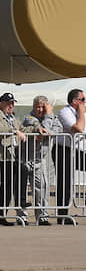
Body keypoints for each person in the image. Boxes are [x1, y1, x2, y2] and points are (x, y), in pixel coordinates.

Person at [0, 92, 36, 226]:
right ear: (1, 103)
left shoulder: (11, 117)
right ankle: (10, 207)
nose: (11, 105)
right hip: (3, 155)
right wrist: (15, 132)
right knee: (10, 182)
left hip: (12, 155)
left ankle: (2, 214)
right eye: (8, 103)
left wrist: (37, 129)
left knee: (11, 181)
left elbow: (23, 129)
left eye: (13, 103)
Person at [20, 96, 61, 225]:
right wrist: (47, 120)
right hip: (25, 159)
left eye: (43, 107)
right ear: (33, 107)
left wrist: (47, 125)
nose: (41, 109)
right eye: (38, 106)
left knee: (42, 188)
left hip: (40, 159)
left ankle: (42, 217)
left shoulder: (51, 118)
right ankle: (22, 217)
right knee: (22, 190)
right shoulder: (29, 118)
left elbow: (56, 130)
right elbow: (44, 130)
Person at [54, 88, 86, 224]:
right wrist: (81, 113)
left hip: (79, 150)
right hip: (64, 149)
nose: (85, 102)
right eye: (83, 100)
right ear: (75, 101)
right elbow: (78, 128)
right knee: (65, 182)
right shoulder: (65, 112)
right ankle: (63, 215)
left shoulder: (82, 113)